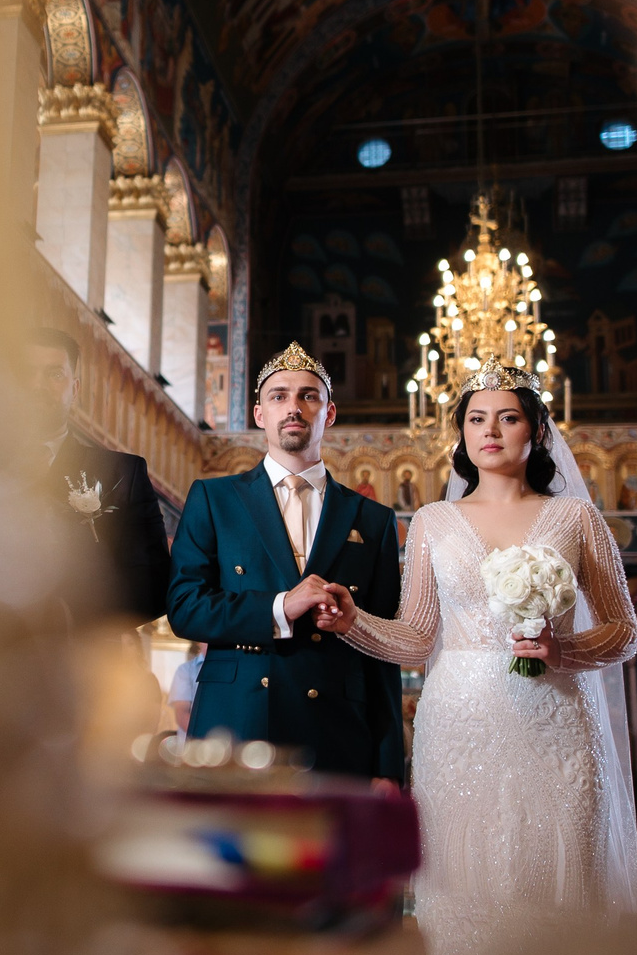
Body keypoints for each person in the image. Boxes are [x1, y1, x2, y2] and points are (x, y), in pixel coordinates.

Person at [322, 366, 637, 955]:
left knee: (559, 879)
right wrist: (354, 624)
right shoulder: (431, 522)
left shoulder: (577, 519)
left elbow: (625, 630)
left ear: (537, 429)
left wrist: (563, 652)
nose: (490, 430)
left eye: (508, 417)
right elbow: (418, 636)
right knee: (463, 883)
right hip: (459, 727)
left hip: (554, 725)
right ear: (461, 436)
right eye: (476, 419)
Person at [165, 344, 405, 784]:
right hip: (236, 723)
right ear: (259, 413)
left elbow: (384, 650)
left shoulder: (373, 519)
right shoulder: (214, 499)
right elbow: (185, 608)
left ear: (329, 413)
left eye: (308, 396)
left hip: (338, 732)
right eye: (278, 396)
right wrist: (279, 607)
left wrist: (388, 765)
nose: (293, 407)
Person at [25, 328, 170, 627]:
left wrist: (71, 616)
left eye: (54, 374)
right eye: (26, 373)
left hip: (78, 655)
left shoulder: (121, 474)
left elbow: (154, 587)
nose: (37, 385)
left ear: (75, 389)